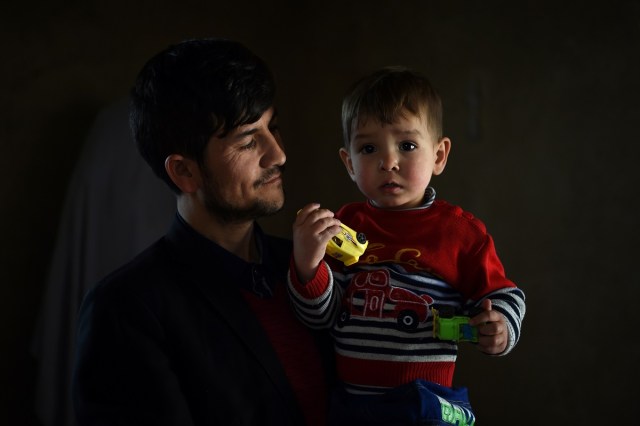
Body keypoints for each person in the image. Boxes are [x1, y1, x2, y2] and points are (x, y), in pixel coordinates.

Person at [71, 38, 333, 426]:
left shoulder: (312, 269)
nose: (278, 154)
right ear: (184, 171)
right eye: (248, 141)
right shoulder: (126, 310)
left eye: (273, 127)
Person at [287, 66, 526, 425]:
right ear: (349, 163)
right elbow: (320, 318)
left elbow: (507, 294)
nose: (388, 162)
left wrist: (501, 326)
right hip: (351, 407)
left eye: (407, 145)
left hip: (428, 405)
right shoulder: (344, 225)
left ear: (439, 156)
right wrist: (308, 266)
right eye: (368, 148)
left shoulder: (459, 233)